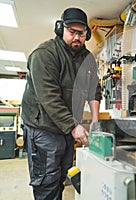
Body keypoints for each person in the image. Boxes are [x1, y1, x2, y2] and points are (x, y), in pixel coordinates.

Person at [21, 7, 101, 200]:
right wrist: (74, 126)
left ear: (87, 34)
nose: (76, 37)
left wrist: (96, 122)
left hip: (66, 128)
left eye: (81, 33)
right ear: (60, 29)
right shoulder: (44, 54)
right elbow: (48, 97)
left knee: (63, 176)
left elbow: (94, 91)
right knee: (47, 181)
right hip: (43, 127)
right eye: (71, 31)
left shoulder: (88, 59)